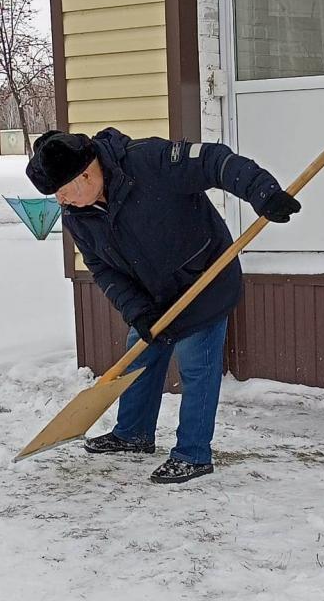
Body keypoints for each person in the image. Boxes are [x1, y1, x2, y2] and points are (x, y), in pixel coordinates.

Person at [25, 127, 300, 484]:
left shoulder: (149, 161)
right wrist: (138, 311)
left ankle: (193, 454)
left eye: (62, 192)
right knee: (140, 354)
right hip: (153, 296)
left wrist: (262, 191)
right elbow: (103, 270)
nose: (60, 201)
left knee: (195, 365)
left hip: (205, 280)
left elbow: (214, 161)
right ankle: (133, 434)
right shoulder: (79, 216)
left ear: (86, 174)